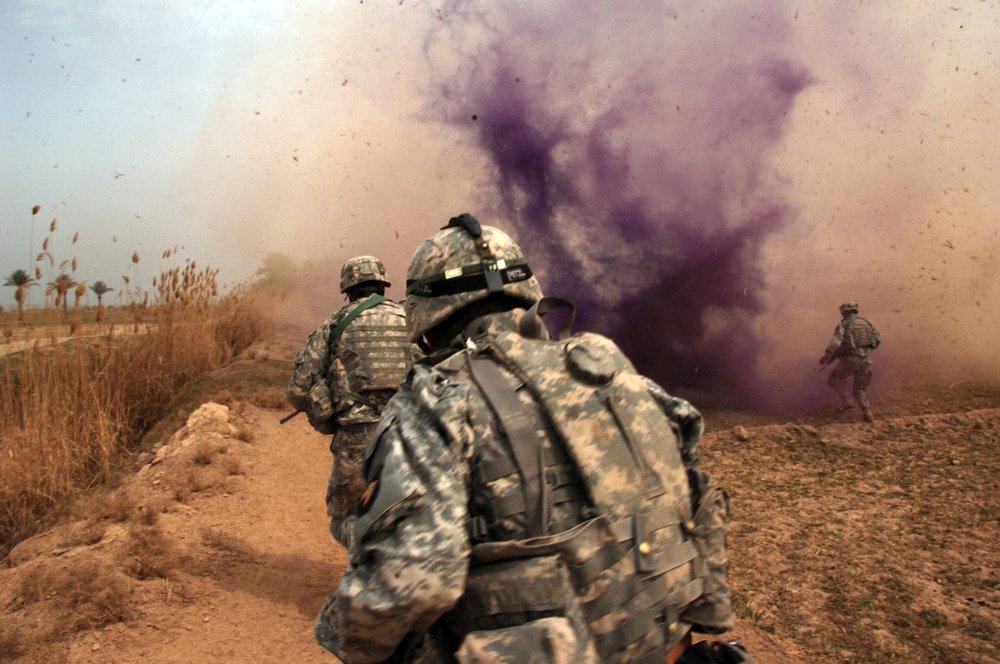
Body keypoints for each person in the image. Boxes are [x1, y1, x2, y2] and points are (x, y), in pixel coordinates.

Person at [315, 215, 750, 664]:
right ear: (525, 292)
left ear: (426, 318)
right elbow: (696, 488)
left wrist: (346, 633)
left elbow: (411, 583)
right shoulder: (607, 367)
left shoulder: (436, 402)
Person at [287, 255, 414, 549]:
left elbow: (297, 390)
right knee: (416, 512)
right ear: (383, 286)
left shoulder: (335, 324)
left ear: (348, 290)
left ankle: (365, 560)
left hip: (357, 440)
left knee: (344, 517)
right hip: (408, 434)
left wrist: (324, 397)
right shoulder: (411, 319)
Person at [819, 301, 881, 422]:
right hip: (867, 359)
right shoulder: (866, 323)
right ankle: (867, 412)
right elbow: (877, 340)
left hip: (852, 359)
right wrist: (865, 350)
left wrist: (827, 355)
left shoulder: (844, 324)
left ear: (844, 312)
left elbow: (836, 341)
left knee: (835, 378)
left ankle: (847, 401)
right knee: (859, 388)